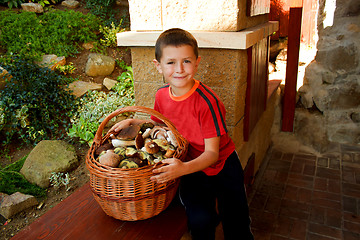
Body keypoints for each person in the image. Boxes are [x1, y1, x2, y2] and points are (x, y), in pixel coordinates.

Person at [112, 28, 253, 240]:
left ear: (197, 62)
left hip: (222, 167)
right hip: (191, 168)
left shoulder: (207, 102)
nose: (179, 69)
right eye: (170, 62)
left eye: (186, 61)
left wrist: (182, 169)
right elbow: (160, 125)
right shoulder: (161, 95)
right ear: (158, 66)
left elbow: (212, 153)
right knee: (200, 220)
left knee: (236, 219)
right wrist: (135, 121)